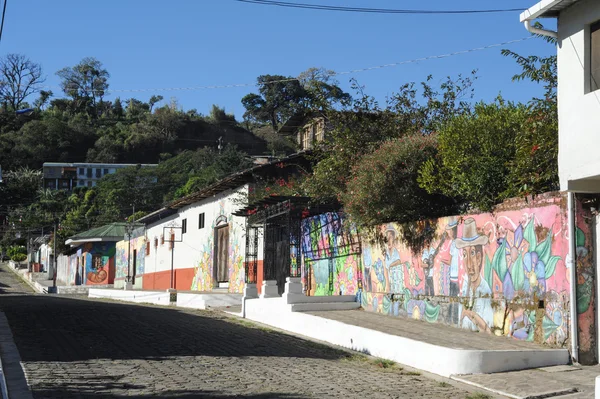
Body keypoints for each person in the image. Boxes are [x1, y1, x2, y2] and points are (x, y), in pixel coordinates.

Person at [455, 217, 493, 333]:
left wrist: (469, 314)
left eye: (472, 253)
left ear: (478, 257)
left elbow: (488, 330)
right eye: (465, 255)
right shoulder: (465, 285)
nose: (468, 264)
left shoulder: (485, 289)